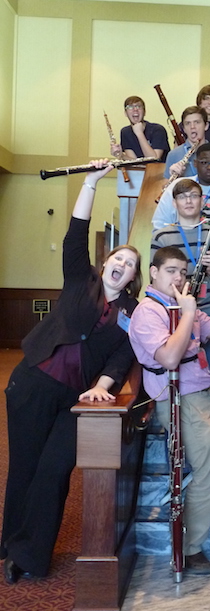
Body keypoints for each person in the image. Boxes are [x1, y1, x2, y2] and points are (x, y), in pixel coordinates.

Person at [1, 159, 142, 584]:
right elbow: (75, 233)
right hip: (33, 383)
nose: (122, 264)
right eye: (119, 257)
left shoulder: (131, 313)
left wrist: (102, 386)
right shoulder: (81, 280)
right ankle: (12, 545)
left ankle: (30, 554)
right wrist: (91, 183)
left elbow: (122, 358)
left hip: (76, 399)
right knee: (24, 465)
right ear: (106, 261)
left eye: (131, 264)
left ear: (134, 278)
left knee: (55, 470)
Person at [129, 247, 210, 575]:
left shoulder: (183, 305)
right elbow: (170, 358)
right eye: (171, 271)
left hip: (209, 394)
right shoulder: (149, 312)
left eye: (183, 272)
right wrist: (188, 313)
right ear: (154, 273)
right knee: (208, 474)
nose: (179, 278)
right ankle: (190, 547)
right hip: (179, 401)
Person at [151, 178, 210, 390]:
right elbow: (156, 283)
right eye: (182, 196)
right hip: (177, 318)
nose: (188, 201)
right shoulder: (162, 237)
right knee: (181, 381)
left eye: (193, 196)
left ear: (202, 200)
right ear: (174, 203)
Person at [163, 106, 210, 181]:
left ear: (206, 126)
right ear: (184, 129)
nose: (192, 127)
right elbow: (166, 188)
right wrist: (174, 179)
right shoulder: (173, 154)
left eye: (197, 122)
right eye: (188, 123)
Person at [110, 95, 169, 163]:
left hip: (159, 171)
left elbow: (154, 160)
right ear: (125, 113)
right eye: (130, 107)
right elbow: (135, 161)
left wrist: (139, 133)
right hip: (139, 171)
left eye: (138, 106)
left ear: (144, 112)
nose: (135, 109)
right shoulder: (125, 132)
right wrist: (121, 155)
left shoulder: (158, 130)